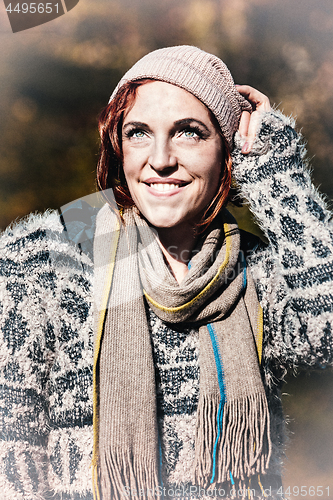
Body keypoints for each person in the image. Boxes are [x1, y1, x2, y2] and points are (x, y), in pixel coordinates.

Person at [0, 45, 332, 500]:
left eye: (189, 133)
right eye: (138, 133)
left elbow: (326, 332)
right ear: (118, 147)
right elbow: (10, 459)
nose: (160, 159)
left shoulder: (258, 270)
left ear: (229, 151)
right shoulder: (43, 257)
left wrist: (277, 173)